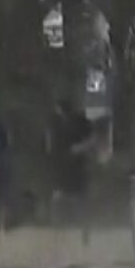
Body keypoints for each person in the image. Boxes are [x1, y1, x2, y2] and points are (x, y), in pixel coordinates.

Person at [48, 98, 95, 245]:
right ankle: (57, 233)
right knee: (57, 199)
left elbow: (92, 139)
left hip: (77, 166)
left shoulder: (80, 121)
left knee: (81, 201)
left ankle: (85, 233)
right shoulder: (56, 124)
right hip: (61, 167)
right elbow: (51, 144)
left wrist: (80, 148)